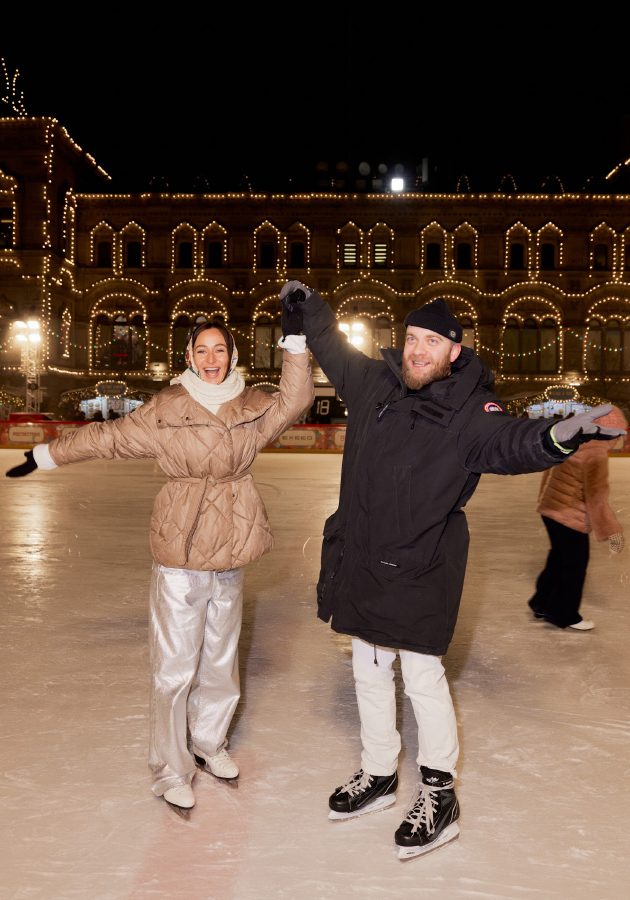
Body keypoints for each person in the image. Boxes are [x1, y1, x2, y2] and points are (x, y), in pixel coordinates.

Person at [279, 283, 625, 860]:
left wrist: (565, 433)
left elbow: (512, 442)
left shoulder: (472, 409)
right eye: (412, 338)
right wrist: (307, 308)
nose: (417, 351)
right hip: (362, 556)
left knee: (421, 679)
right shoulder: (376, 382)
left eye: (431, 343)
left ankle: (439, 796)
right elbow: (334, 348)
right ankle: (379, 771)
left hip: (420, 563)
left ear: (454, 352)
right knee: (366, 668)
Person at [6, 320, 313, 814]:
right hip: (180, 548)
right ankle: (171, 768)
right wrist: (43, 455)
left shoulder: (254, 407)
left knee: (220, 659)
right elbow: (104, 438)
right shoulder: (166, 408)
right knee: (174, 668)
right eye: (201, 350)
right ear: (189, 357)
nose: (211, 357)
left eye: (220, 349)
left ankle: (209, 744)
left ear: (232, 357)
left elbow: (296, 399)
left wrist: (296, 343)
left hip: (232, 546)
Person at [529, 405, 626, 630]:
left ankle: (541, 602)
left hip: (551, 510)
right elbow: (596, 497)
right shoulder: (596, 453)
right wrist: (611, 531)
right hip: (570, 515)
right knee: (574, 565)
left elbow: (548, 471)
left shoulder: (572, 440)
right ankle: (564, 615)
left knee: (559, 558)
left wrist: (545, 504)